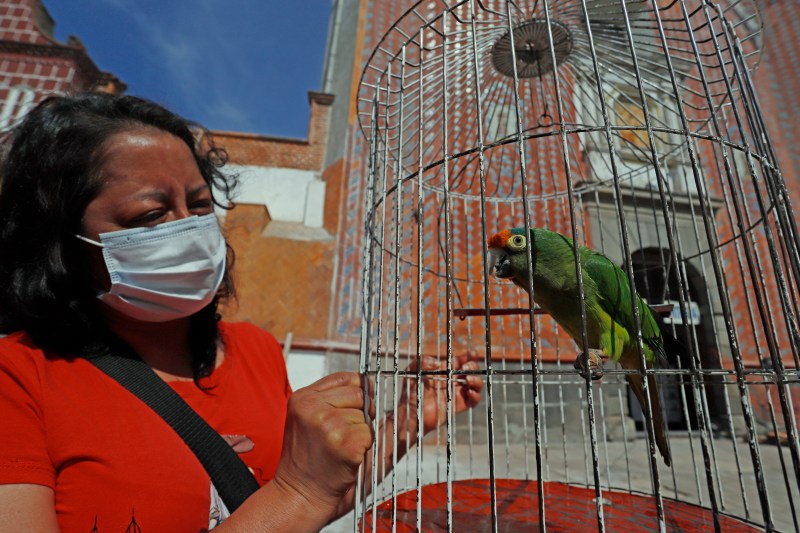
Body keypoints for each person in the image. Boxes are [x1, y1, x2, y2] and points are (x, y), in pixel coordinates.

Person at [0, 92, 483, 532]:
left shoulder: (254, 349)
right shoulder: (16, 377)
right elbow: (296, 497)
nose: (189, 229)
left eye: (200, 204)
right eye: (149, 216)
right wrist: (302, 493)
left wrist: (406, 424)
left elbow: (293, 503)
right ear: (60, 243)